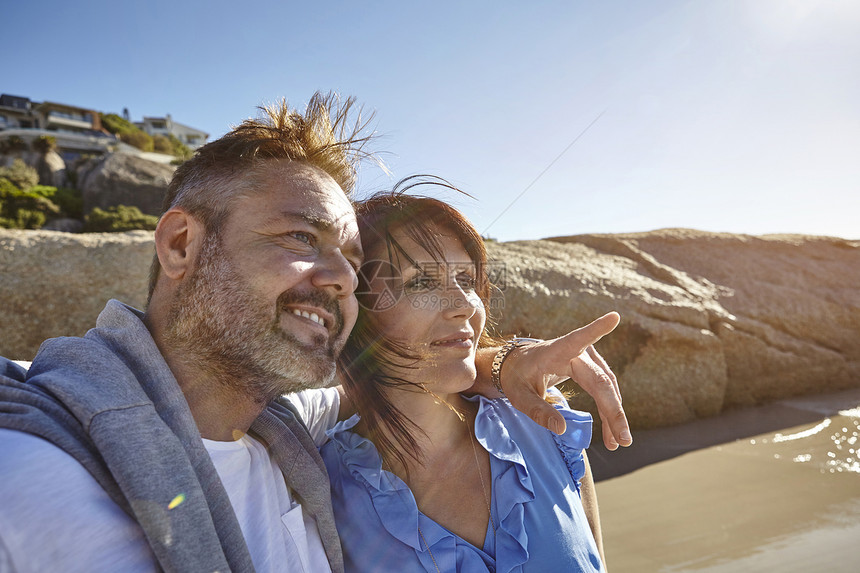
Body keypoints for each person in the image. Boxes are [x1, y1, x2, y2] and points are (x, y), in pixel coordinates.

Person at [0, 95, 628, 573]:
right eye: (300, 238)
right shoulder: (26, 471)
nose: (337, 279)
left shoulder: (289, 443)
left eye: (353, 263)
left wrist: (506, 360)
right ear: (181, 243)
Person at [320, 181, 610, 572]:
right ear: (357, 311)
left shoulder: (543, 421)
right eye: (420, 282)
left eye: (467, 280)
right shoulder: (319, 488)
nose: (462, 305)